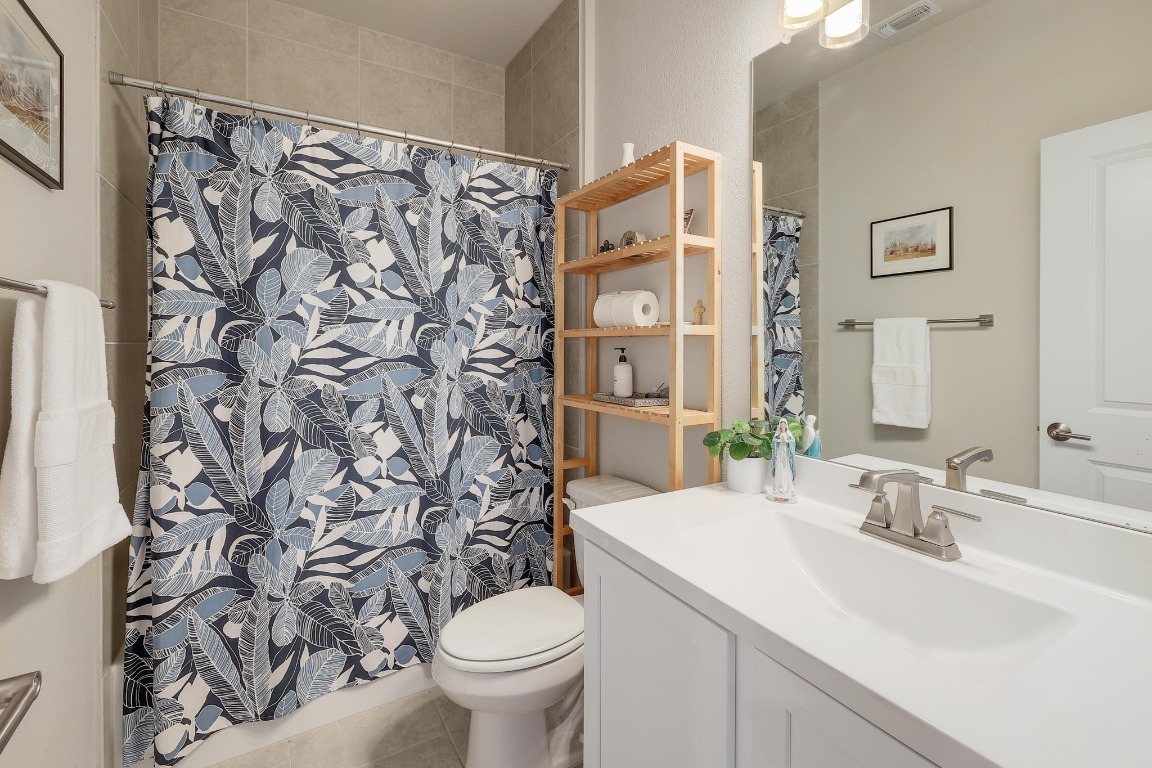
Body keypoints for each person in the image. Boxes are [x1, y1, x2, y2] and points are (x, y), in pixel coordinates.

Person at [770, 417, 797, 503]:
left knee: (786, 468)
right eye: (781, 424)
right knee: (779, 467)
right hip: (780, 452)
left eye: (784, 424)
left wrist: (787, 441)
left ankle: (787, 487)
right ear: (779, 425)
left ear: (786, 425)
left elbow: (792, 441)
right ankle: (779, 487)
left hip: (786, 453)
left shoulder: (789, 433)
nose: (782, 425)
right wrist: (778, 441)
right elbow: (774, 441)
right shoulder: (777, 434)